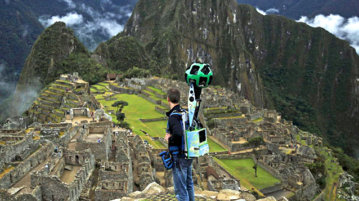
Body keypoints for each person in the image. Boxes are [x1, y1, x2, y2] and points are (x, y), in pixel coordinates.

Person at [165, 88, 195, 201]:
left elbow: (178, 133)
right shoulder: (185, 113)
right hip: (188, 153)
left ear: (168, 99)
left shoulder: (173, 116)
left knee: (180, 190)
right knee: (189, 185)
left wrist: (169, 138)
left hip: (179, 157)